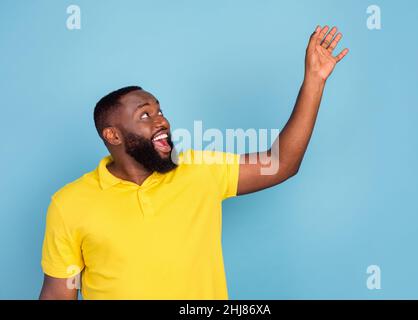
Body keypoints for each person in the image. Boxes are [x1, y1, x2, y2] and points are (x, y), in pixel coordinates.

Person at [39, 25, 349, 300]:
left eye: (160, 111)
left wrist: (315, 81)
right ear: (113, 135)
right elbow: (57, 293)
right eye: (145, 115)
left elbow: (281, 163)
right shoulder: (70, 204)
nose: (161, 121)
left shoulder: (199, 170)